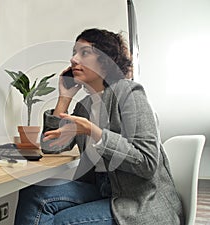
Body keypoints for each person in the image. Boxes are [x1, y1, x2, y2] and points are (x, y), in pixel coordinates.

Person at [14, 28, 184, 225]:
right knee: (33, 195)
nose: (74, 59)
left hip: (138, 200)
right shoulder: (84, 107)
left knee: (61, 220)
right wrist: (64, 99)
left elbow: (146, 162)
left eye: (84, 53)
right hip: (102, 188)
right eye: (74, 53)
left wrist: (93, 132)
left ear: (106, 61)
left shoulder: (129, 92)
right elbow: (51, 147)